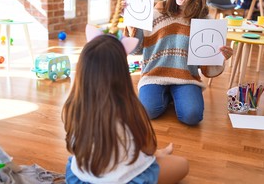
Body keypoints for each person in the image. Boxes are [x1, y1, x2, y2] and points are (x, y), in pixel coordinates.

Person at [62, 34, 189, 184]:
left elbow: (74, 149)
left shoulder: (72, 108)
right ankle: (159, 155)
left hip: (82, 178)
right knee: (183, 164)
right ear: (122, 74)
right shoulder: (131, 110)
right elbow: (148, 148)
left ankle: (159, 155)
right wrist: (154, 156)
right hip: (126, 179)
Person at [123, 0, 233, 126]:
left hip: (186, 78)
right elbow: (135, 49)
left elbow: (207, 68)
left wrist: (221, 57)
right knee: (147, 112)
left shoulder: (204, 20)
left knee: (192, 116)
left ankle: (175, 95)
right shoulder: (156, 13)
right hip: (154, 75)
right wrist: (132, 21)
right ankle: (167, 97)